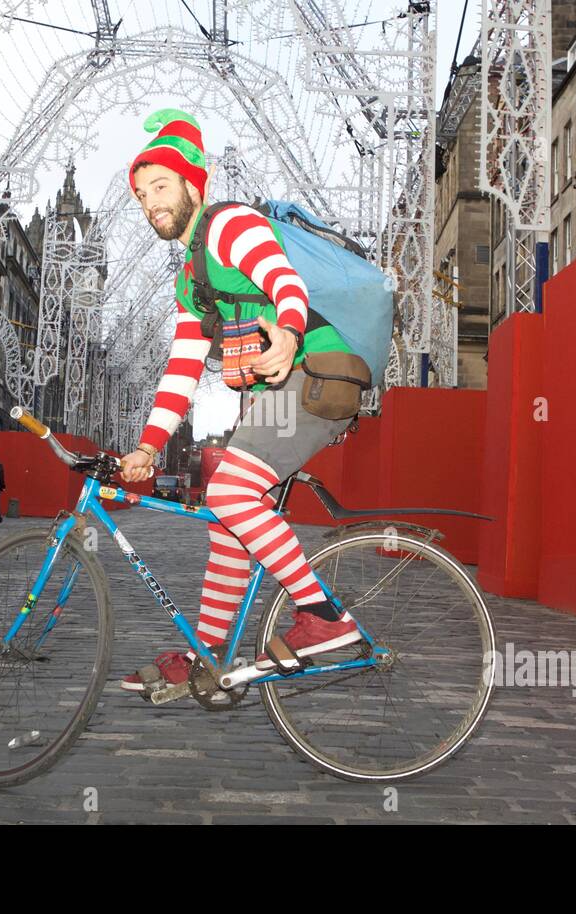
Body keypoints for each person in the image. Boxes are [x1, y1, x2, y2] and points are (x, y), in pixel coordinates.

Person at [118, 108, 368, 696]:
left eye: (160, 185)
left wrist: (286, 329)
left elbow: (284, 279)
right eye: (139, 193)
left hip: (312, 371)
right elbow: (181, 369)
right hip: (273, 394)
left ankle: (325, 618)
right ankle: (210, 659)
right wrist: (149, 447)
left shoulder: (230, 224)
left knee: (230, 494)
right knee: (229, 524)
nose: (149, 200)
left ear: (191, 185)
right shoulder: (189, 277)